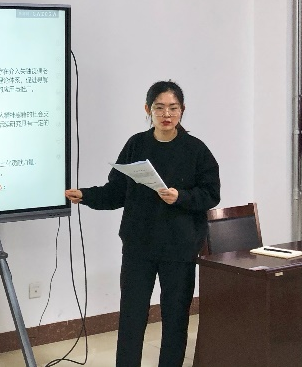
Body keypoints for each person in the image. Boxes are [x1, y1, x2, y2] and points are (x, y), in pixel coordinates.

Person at [65, 80, 220, 367]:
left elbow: (211, 195)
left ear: (182, 110)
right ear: (147, 109)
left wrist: (181, 197)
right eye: (159, 108)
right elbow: (116, 192)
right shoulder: (136, 144)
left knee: (175, 318)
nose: (166, 114)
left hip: (180, 248)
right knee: (131, 317)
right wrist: (85, 195)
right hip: (139, 245)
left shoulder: (196, 150)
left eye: (173, 108)